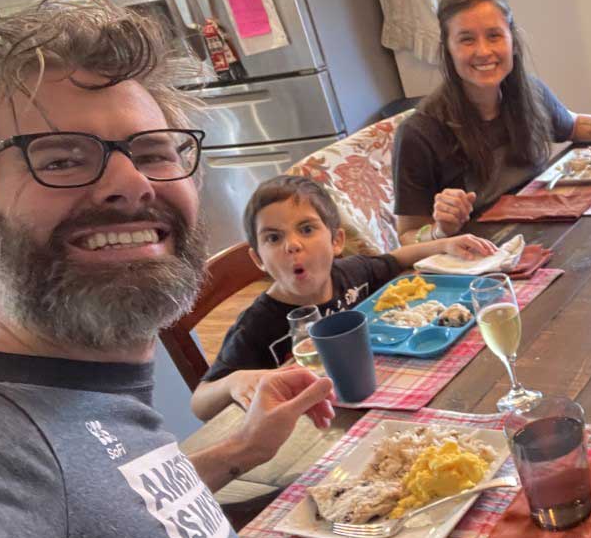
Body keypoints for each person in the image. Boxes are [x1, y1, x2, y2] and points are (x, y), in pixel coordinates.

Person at [0, 0, 344, 538]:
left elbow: (105, 512)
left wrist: (234, 455)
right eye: (61, 158)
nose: (131, 182)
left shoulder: (86, 401)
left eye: (154, 151)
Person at [393, 0, 591, 242]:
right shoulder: (419, 133)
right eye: (467, 39)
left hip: (544, 236)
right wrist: (440, 229)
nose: (483, 51)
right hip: (479, 262)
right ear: (448, 49)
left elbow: (572, 124)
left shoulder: (529, 92)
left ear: (513, 41)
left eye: (494, 35)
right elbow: (407, 235)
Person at [192, 175, 496, 419]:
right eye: (274, 237)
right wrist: (235, 381)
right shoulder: (257, 325)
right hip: (313, 428)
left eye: (307, 229)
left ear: (337, 240)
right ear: (258, 259)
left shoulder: (351, 273)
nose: (292, 245)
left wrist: (444, 245)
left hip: (382, 400)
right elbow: (200, 403)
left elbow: (395, 259)